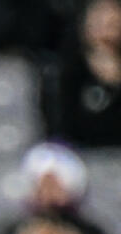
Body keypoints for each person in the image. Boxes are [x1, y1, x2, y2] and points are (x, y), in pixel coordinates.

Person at [47, 0, 121, 148]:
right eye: (100, 23)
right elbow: (61, 130)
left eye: (113, 24)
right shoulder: (68, 74)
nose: (107, 32)